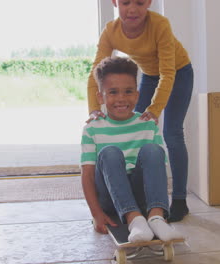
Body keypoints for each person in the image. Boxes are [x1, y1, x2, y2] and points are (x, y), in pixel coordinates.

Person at [86, 0, 193, 222]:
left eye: (140, 2)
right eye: (125, 2)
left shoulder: (160, 24)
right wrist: (95, 109)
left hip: (178, 72)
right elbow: (95, 73)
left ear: (149, 2)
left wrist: (155, 110)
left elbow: (167, 73)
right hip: (149, 75)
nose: (132, 9)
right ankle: (131, 195)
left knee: (172, 134)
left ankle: (180, 200)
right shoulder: (111, 31)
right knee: (133, 124)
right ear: (115, 2)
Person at [81, 56, 183, 243]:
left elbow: (159, 171)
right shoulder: (92, 128)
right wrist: (96, 214)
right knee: (109, 153)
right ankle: (133, 219)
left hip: (142, 196)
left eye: (128, 91)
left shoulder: (148, 124)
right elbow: (87, 175)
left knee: (153, 150)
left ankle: (156, 217)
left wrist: (157, 205)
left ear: (136, 94)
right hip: (111, 199)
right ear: (100, 97)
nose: (121, 98)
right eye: (112, 92)